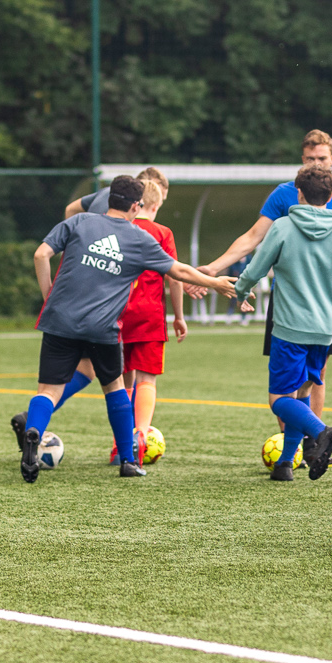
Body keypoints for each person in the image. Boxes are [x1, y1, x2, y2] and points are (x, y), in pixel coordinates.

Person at [13, 175, 236, 483]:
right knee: (115, 388)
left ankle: (34, 432)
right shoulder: (139, 238)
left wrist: (48, 294)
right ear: (136, 206)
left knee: (48, 391)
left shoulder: (80, 223)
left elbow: (41, 254)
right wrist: (215, 282)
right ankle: (129, 462)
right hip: (102, 329)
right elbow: (178, 270)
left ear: (108, 199)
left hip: (59, 321)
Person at [231, 166, 332, 481]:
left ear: (298, 193)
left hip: (288, 329)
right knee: (302, 392)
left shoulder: (283, 227)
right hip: (325, 331)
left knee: (280, 399)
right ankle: (286, 464)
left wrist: (241, 290)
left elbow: (256, 268)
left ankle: (321, 432)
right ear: (331, 195)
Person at [204, 130, 332, 425]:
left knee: (317, 376)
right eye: (311, 158)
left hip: (325, 300)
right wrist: (214, 268)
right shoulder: (284, 193)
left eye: (322, 158)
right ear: (302, 160)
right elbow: (253, 238)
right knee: (288, 381)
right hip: (286, 299)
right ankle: (297, 447)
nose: (317, 163)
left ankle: (312, 446)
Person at [44, 168, 174, 440]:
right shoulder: (149, 232)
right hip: (124, 312)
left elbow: (71, 209)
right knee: (126, 381)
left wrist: (74, 251)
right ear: (142, 202)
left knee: (91, 370)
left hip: (90, 306)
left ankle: (40, 413)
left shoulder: (103, 196)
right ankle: (131, 444)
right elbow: (176, 273)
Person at [113, 173, 184, 458]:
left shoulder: (119, 228)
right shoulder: (162, 233)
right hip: (149, 316)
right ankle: (139, 437)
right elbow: (175, 277)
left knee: (122, 380)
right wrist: (179, 316)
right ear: (154, 205)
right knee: (147, 379)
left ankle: (121, 444)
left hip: (117, 314)